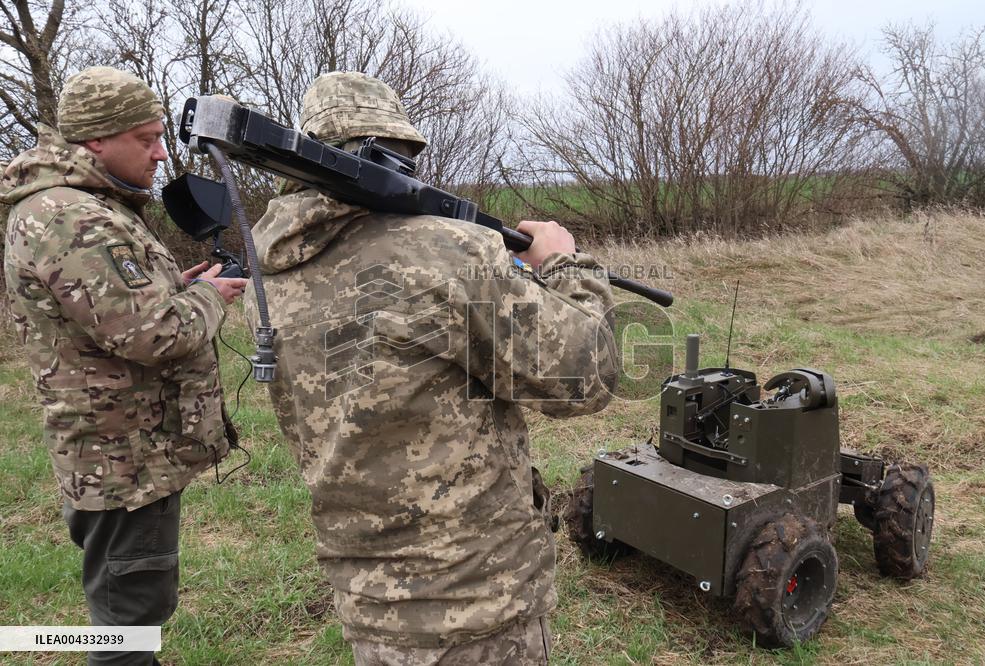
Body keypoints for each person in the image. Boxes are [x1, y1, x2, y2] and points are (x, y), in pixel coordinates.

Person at [245, 71, 619, 664]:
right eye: (401, 157)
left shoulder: (271, 278)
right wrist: (567, 266)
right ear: (380, 157)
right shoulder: (445, 254)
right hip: (477, 603)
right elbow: (587, 373)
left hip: (368, 599)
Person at [1, 66, 247, 666]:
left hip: (127, 454)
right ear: (95, 141)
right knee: (124, 635)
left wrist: (178, 285)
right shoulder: (73, 218)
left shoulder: (83, 207)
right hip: (122, 464)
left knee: (131, 621)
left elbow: (114, 313)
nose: (162, 153)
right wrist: (211, 299)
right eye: (146, 139)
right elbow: (153, 334)